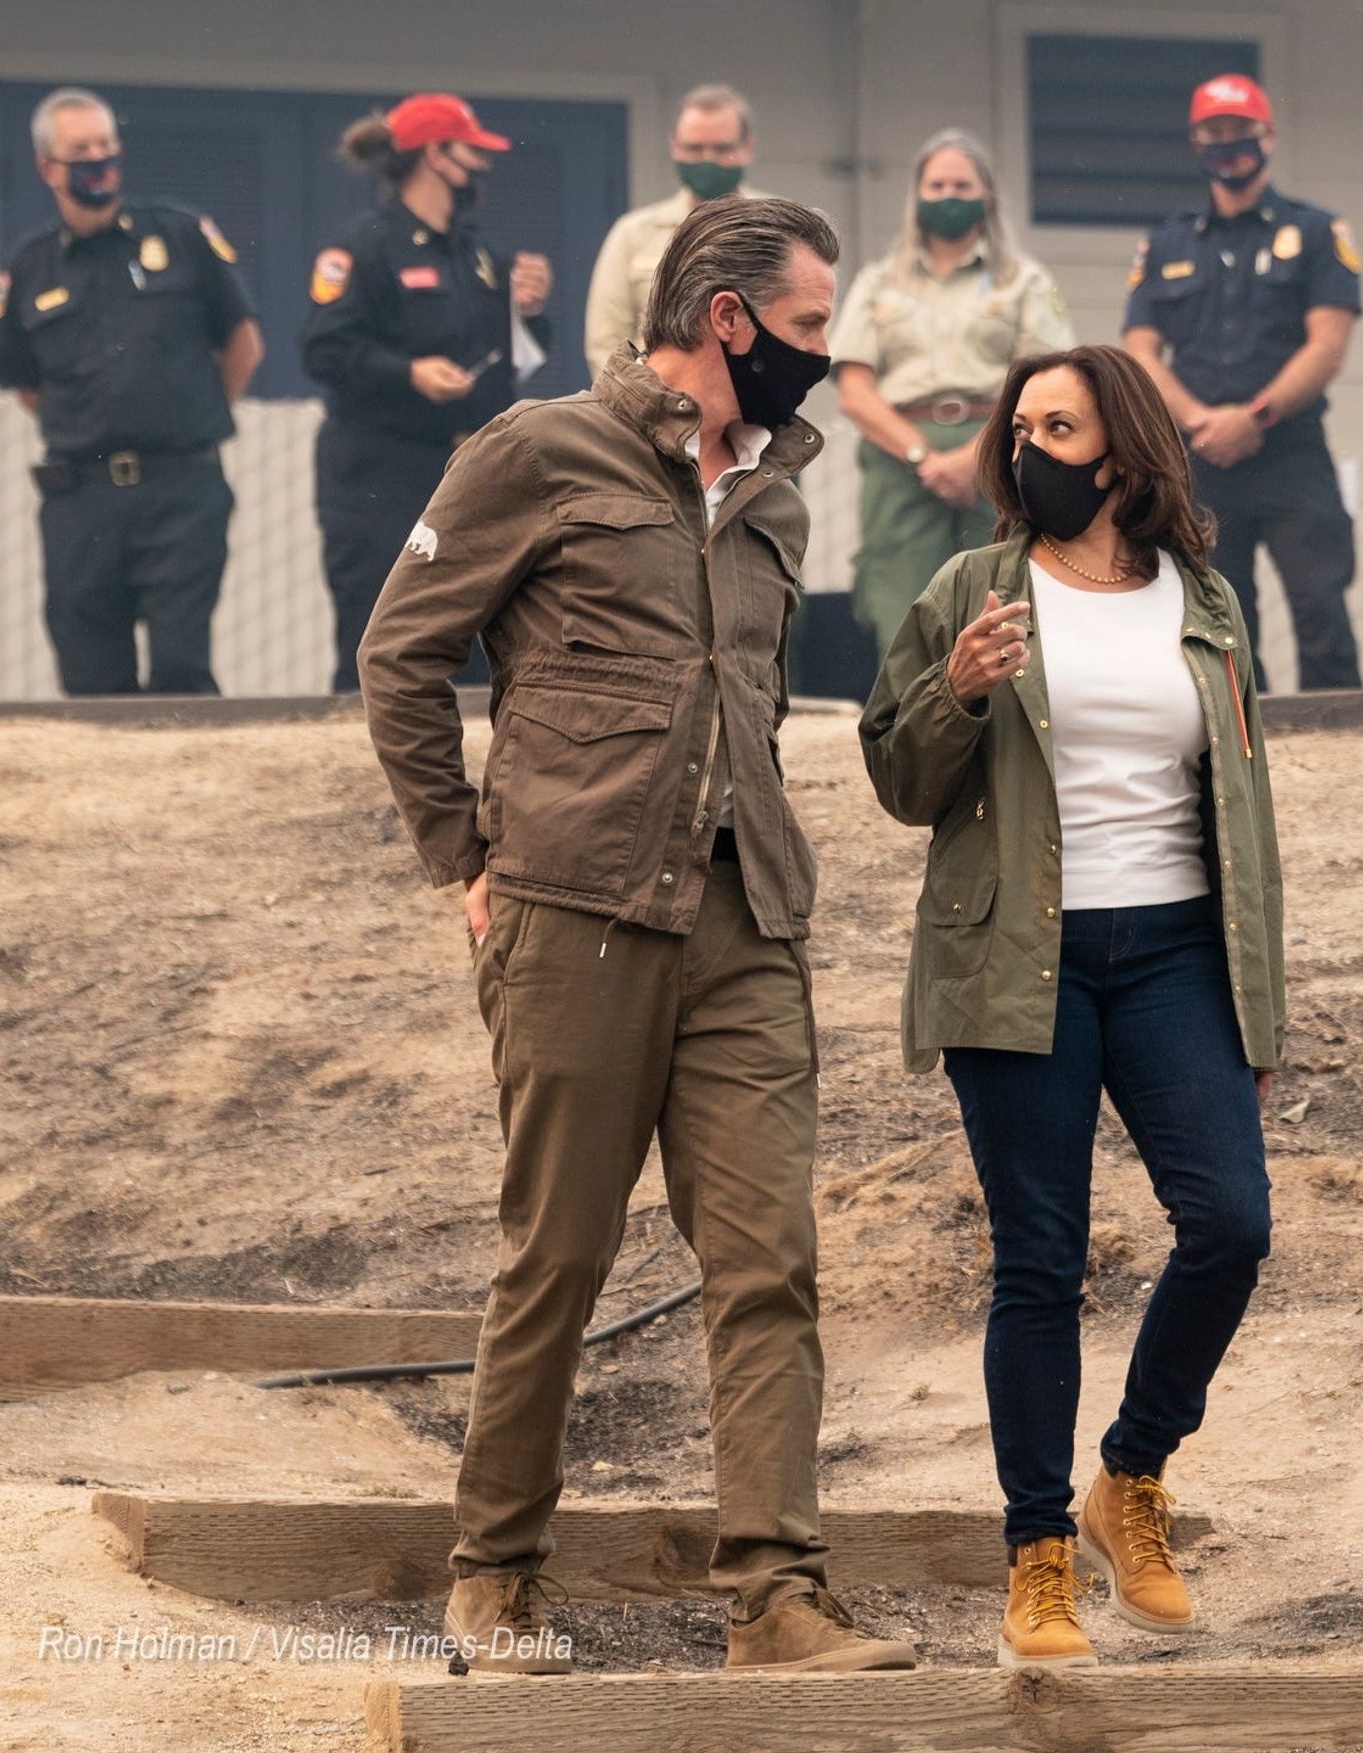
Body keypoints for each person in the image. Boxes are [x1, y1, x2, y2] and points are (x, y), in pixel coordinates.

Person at [359, 195, 917, 1678]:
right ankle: (495, 1575)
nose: (826, 349)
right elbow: (400, 656)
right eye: (808, 325)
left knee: (769, 1261)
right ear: (726, 318)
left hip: (750, 919)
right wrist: (461, 858)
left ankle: (779, 1601)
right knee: (558, 1253)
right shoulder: (538, 451)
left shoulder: (784, 496)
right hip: (576, 915)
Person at [859, 345, 1284, 1669]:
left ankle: (1132, 1476)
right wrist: (960, 690)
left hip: (1171, 959)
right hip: (1014, 959)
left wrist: (1256, 1016)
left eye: (1062, 422)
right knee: (1038, 1260)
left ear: (1123, 449)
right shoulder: (968, 590)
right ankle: (1038, 1555)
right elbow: (896, 772)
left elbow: (1249, 822)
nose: (1032, 443)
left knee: (1229, 1220)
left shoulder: (1202, 603)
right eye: (1022, 424)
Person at [0, 86, 263, 696]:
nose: (97, 159)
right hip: (80, 499)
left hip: (181, 489)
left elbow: (243, 343)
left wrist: (189, 415)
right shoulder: (31, 266)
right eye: (79, 149)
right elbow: (25, 383)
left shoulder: (184, 235)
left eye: (106, 145)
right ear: (47, 168)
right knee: (90, 679)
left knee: (179, 666)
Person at [301, 94, 553, 694]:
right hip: (379, 476)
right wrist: (409, 373)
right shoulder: (362, 247)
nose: (483, 169)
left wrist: (530, 312)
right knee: (381, 632)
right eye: (474, 153)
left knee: (471, 637)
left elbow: (511, 361)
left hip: (468, 474)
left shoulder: (478, 256)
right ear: (437, 156)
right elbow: (323, 349)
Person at [1124, 73, 1363, 694]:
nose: (1228, 145)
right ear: (1196, 141)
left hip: (1290, 451)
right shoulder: (1167, 242)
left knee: (1321, 610)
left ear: (1269, 136)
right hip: (1198, 459)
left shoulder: (1316, 233)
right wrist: (1201, 421)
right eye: (1214, 133)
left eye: (1240, 132)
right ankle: (1239, 752)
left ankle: (1343, 749)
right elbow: (1140, 347)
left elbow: (1328, 345)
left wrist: (1252, 418)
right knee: (1217, 623)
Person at [828, 129, 1074, 663]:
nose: (948, 195)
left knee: (1004, 594)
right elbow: (854, 389)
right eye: (935, 184)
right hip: (900, 458)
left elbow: (1047, 381)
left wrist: (972, 458)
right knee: (901, 600)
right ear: (916, 196)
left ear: (987, 195)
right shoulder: (878, 283)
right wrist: (925, 457)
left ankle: (1003, 729)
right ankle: (907, 733)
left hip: (1002, 450)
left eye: (961, 184)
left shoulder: (1024, 281)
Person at [584, 84, 771, 370]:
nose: (708, 160)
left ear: (747, 148)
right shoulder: (634, 234)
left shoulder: (779, 226)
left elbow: (805, 325)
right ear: (674, 147)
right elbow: (605, 343)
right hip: (659, 401)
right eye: (695, 148)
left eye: (722, 148)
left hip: (758, 401)